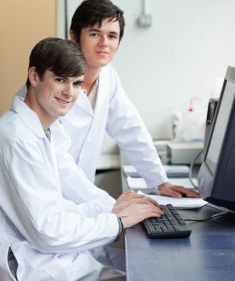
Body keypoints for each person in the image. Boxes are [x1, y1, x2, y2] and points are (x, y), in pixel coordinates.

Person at [0, 37, 163, 281]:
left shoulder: (45, 130)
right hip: (34, 266)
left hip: (57, 258)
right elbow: (48, 231)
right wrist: (116, 221)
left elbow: (61, 200)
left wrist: (112, 209)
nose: (69, 92)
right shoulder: (17, 137)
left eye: (76, 83)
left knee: (149, 268)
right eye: (60, 80)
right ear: (34, 77)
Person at [62, 0, 198, 198]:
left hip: (78, 198)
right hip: (47, 195)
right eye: (94, 34)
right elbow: (55, 160)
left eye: (112, 36)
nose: (104, 43)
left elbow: (131, 129)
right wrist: (107, 205)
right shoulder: (54, 81)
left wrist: (160, 181)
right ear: (73, 36)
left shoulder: (108, 77)